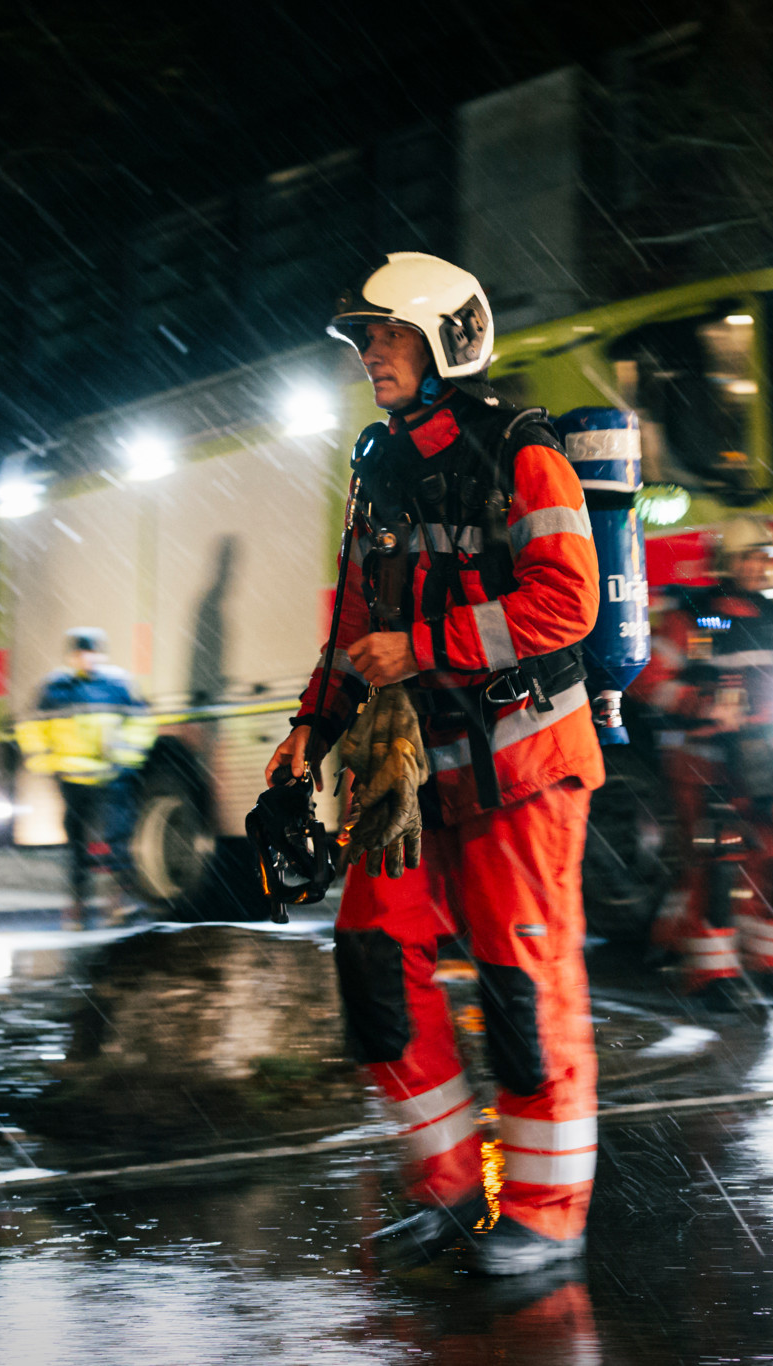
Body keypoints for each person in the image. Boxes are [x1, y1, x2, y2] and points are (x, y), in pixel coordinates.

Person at [266, 252, 602, 1277]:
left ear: (441, 338)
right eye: (362, 338)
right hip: (410, 761)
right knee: (371, 956)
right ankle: (452, 1185)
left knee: (518, 982)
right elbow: (356, 616)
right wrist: (310, 727)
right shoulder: (377, 462)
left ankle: (547, 1212)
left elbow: (565, 604)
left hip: (521, 757)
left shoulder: (520, 453)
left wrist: (425, 646)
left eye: (384, 333)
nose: (367, 352)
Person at [626, 516, 773, 1013]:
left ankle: (770, 962)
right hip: (705, 761)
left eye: (763, 559)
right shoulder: (694, 616)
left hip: (766, 755)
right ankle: (711, 972)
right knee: (716, 864)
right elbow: (649, 680)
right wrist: (700, 704)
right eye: (749, 559)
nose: (758, 569)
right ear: (727, 563)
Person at [26, 628, 153, 926]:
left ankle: (118, 905)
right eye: (82, 653)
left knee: (118, 841)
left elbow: (141, 723)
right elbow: (32, 729)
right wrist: (47, 762)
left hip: (111, 777)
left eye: (93, 652)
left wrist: (125, 758)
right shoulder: (55, 688)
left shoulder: (117, 685)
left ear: (102, 655)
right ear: (72, 657)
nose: (88, 658)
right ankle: (78, 908)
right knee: (77, 847)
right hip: (72, 780)